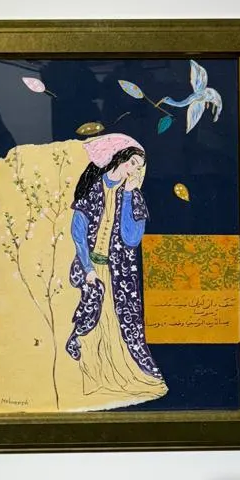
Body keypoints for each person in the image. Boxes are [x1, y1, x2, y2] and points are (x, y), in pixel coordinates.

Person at [64, 132, 168, 408]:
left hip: (118, 275)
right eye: (132, 163)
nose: (134, 170)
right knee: (92, 324)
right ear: (120, 158)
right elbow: (78, 230)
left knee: (117, 326)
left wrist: (131, 195)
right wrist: (88, 269)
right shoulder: (93, 187)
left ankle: (117, 380)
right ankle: (91, 381)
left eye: (138, 167)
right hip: (90, 268)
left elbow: (132, 239)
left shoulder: (133, 196)